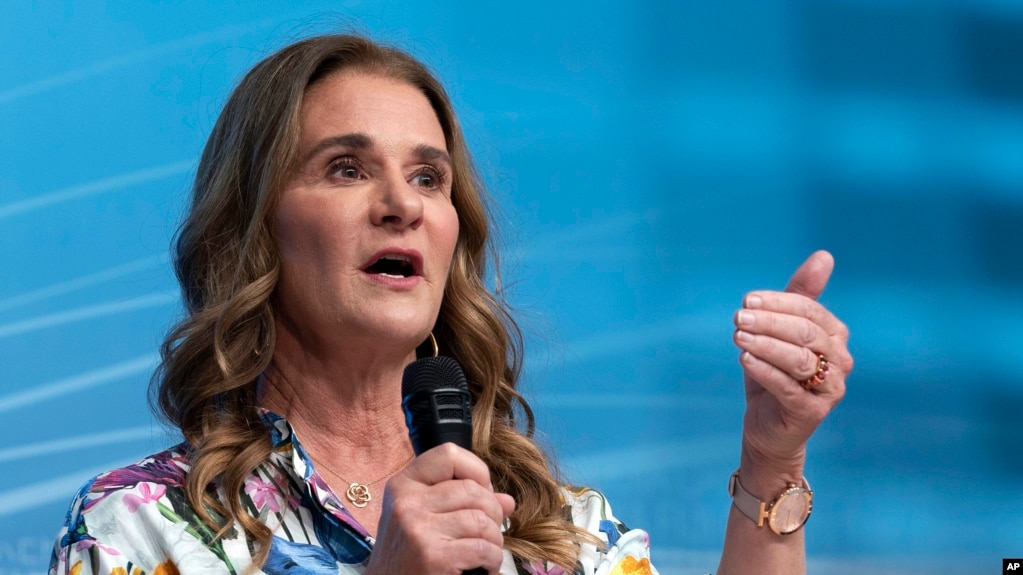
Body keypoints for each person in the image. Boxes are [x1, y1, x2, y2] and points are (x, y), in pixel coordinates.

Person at [48, 34, 851, 575]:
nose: (402, 203)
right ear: (256, 230)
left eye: (429, 177)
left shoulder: (561, 531)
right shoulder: (144, 529)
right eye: (346, 169)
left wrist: (773, 455)